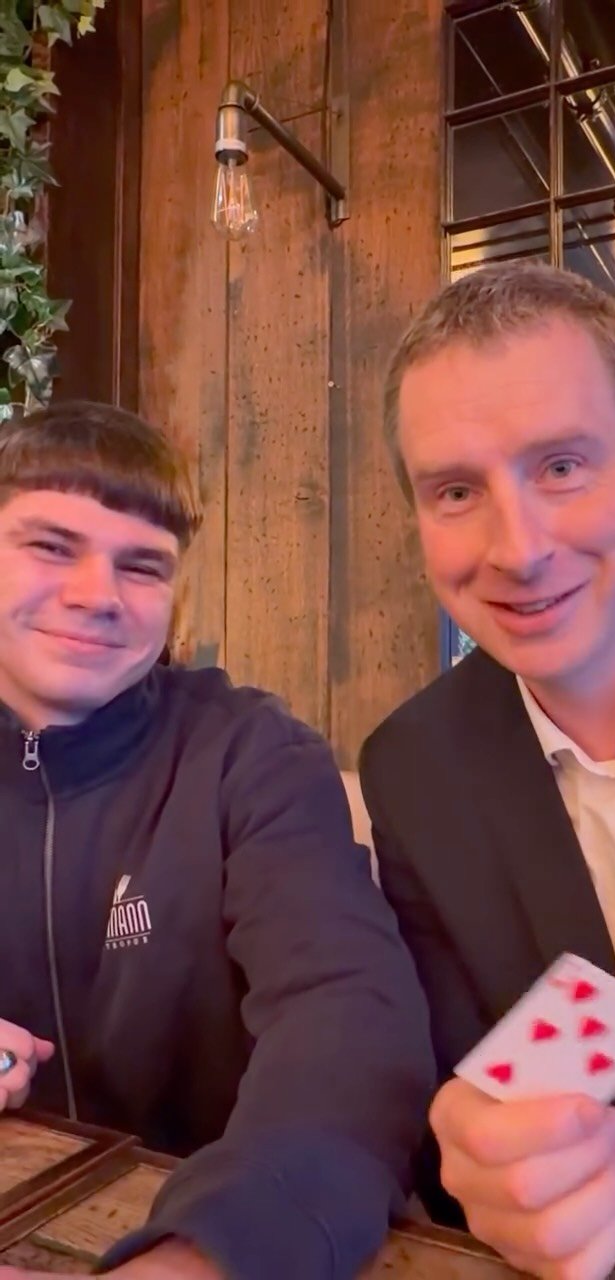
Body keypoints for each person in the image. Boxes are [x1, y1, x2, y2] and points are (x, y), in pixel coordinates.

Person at [0, 400, 434, 1280]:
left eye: (143, 565)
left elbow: (348, 1016)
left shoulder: (253, 754)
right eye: (50, 546)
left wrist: (209, 1253)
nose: (97, 594)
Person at [359, 261, 615, 1280]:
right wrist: (474, 1155)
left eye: (561, 466)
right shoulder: (415, 769)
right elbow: (468, 1095)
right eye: (456, 491)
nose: (516, 549)